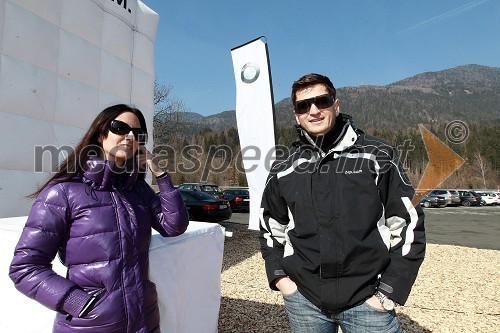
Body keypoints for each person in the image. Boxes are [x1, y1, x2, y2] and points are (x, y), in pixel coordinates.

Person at [259, 73, 426, 332]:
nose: (313, 111)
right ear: (296, 115)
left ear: (336, 105)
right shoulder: (283, 165)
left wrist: (389, 292)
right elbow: (270, 227)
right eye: (304, 105)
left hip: (368, 301)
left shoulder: (378, 155)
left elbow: (408, 223)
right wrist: (281, 279)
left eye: (321, 101)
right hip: (304, 301)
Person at [9, 104, 189, 333]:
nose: (130, 136)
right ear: (101, 132)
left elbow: (174, 226)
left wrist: (161, 175)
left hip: (145, 321)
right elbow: (25, 268)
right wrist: (79, 303)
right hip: (91, 325)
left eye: (138, 133)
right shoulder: (63, 193)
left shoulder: (137, 190)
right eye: (120, 128)